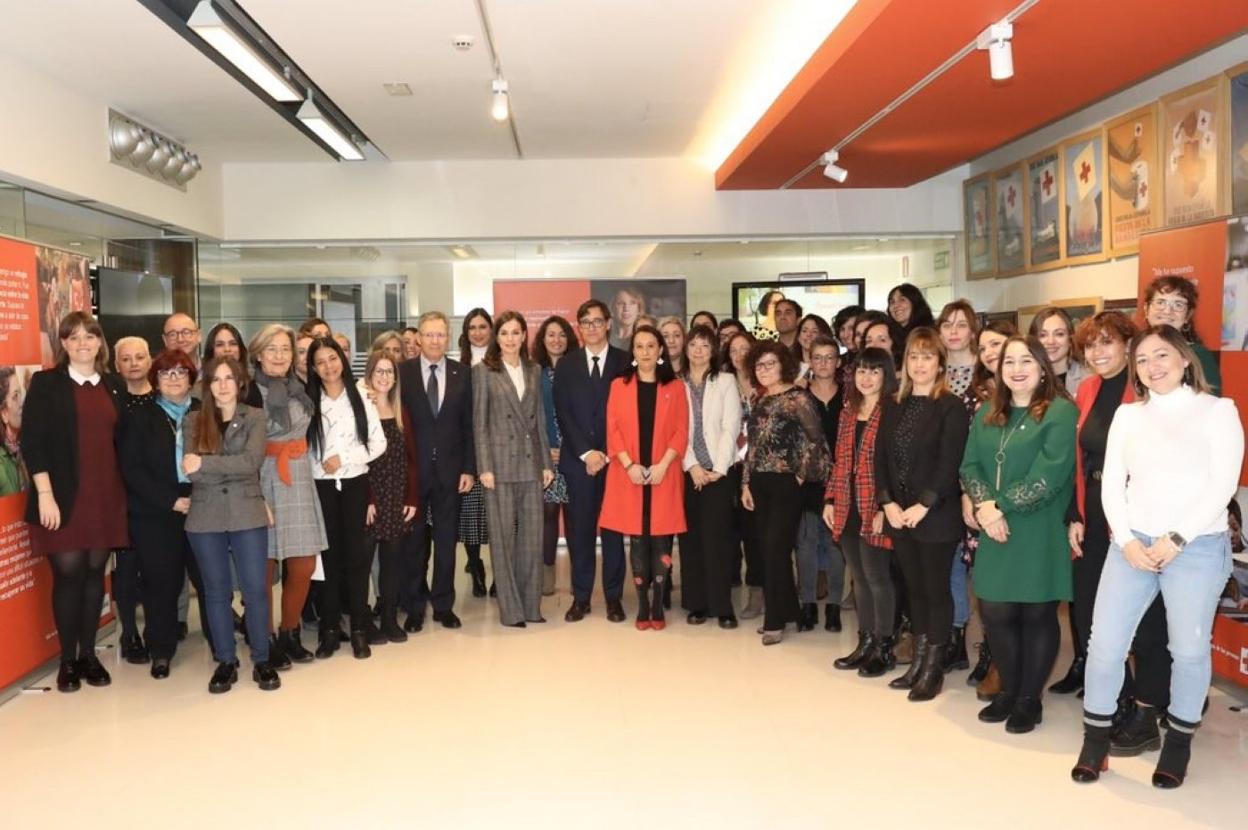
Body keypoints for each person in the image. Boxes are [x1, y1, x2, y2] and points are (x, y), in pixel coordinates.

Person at [1072, 326, 1242, 788]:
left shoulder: (1217, 411)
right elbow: (1112, 484)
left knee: (1186, 650)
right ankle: (1095, 741)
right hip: (1132, 543)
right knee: (1104, 643)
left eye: (1162, 355)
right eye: (1142, 360)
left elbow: (1223, 484)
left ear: (1185, 359)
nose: (1152, 366)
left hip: (1196, 546)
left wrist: (1177, 539)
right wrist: (1125, 539)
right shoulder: (1129, 416)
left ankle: (1178, 743)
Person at [1057, 312, 1173, 754]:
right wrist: (1076, 514)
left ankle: (1146, 712)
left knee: (1145, 625)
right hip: (1096, 517)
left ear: (1129, 345)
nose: (1097, 353)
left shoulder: (1145, 393)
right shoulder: (1086, 389)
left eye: (1107, 343)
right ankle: (1122, 696)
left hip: (1139, 523)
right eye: (1089, 346)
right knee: (1089, 618)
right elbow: (1079, 462)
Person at [960, 335, 1077, 734]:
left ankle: (1029, 699)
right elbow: (970, 466)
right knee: (995, 611)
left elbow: (1050, 475)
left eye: (1027, 360)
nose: (1017, 368)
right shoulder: (988, 413)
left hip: (1039, 526)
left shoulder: (1060, 412)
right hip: (996, 525)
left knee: (1036, 612)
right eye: (1009, 362)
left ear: (1043, 366)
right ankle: (1009, 689)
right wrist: (984, 507)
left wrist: (997, 507)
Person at [21, 312, 127, 692]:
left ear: (100, 342)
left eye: (89, 336)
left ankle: (90, 656)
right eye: (74, 337)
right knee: (68, 576)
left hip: (106, 495)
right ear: (63, 344)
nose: (82, 343)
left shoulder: (114, 385)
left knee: (94, 577)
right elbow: (32, 442)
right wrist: (45, 495)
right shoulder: (47, 384)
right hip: (61, 497)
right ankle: (68, 660)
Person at [875, 328, 969, 701]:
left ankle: (933, 667)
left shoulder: (950, 406)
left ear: (940, 363)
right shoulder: (892, 405)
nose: (920, 364)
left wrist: (923, 505)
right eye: (914, 356)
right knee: (914, 590)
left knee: (936, 591)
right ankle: (917, 659)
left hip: (936, 516)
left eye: (928, 357)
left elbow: (949, 464)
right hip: (900, 515)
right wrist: (888, 503)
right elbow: (880, 459)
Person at [183, 356, 280, 693]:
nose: (223, 385)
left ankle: (262, 658)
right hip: (205, 515)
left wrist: (206, 463)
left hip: (246, 512)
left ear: (241, 383)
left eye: (229, 378)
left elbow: (251, 462)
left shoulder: (255, 416)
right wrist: (213, 466)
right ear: (206, 385)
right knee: (216, 592)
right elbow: (189, 470)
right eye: (215, 379)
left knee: (255, 589)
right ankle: (226, 661)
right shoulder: (194, 420)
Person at [119, 349, 215, 680]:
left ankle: (219, 644)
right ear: (155, 380)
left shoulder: (207, 413)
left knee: (208, 579)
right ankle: (161, 650)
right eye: (165, 373)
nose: (173, 379)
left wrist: (198, 496)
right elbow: (131, 469)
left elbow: (219, 458)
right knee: (161, 582)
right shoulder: (139, 416)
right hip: (156, 511)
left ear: (191, 377)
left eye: (180, 372)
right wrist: (169, 501)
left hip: (204, 502)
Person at [741, 340, 831, 645]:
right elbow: (752, 447)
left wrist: (800, 476)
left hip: (786, 485)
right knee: (767, 550)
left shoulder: (798, 399)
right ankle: (789, 608)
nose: (764, 370)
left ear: (784, 366)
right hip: (759, 483)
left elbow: (816, 441)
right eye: (759, 365)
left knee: (775, 550)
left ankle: (774, 620)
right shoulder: (759, 399)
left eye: (770, 364)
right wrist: (745, 483)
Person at [600, 326, 688, 630]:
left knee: (662, 537)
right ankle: (641, 605)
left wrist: (663, 464)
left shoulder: (675, 387)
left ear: (660, 350)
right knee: (637, 538)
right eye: (640, 346)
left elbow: (681, 430)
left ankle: (658, 603)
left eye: (652, 346)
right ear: (633, 352)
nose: (646, 352)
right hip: (631, 474)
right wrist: (629, 465)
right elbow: (612, 429)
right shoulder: (618, 386)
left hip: (664, 472)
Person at [249, 323, 326, 667]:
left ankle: (289, 631)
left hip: (298, 476)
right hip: (262, 479)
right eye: (272, 349)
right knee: (262, 567)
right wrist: (253, 493)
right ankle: (264, 639)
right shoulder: (247, 392)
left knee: (303, 563)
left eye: (286, 349)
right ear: (258, 354)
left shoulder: (302, 388)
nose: (280, 356)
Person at [306, 337, 386, 658]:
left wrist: (345, 458)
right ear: (313, 368)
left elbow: (378, 443)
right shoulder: (309, 401)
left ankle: (358, 629)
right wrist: (323, 462)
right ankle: (328, 630)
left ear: (342, 359)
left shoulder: (362, 398)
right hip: (321, 487)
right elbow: (302, 449)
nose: (329, 366)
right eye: (321, 361)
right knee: (328, 560)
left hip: (354, 483)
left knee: (356, 559)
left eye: (333, 358)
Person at [473, 312, 554, 627]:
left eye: (516, 332)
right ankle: (511, 611)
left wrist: (546, 462)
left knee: (531, 540)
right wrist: (484, 467)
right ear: (497, 337)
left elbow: (541, 424)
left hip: (531, 463)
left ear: (524, 336)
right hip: (499, 467)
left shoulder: (534, 370)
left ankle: (531, 607)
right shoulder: (484, 372)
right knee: (503, 541)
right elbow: (479, 424)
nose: (510, 339)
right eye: (504, 333)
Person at [398, 311, 475, 631]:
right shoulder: (402, 373)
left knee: (446, 542)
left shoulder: (463, 373)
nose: (434, 340)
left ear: (448, 337)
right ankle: (414, 607)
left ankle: (444, 605)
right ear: (419, 338)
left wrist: (469, 468)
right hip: (413, 473)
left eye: (440, 335)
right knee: (414, 543)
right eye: (428, 335)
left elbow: (469, 425)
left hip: (451, 471)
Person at [553, 299, 629, 622]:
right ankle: (581, 597)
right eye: (586, 322)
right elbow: (563, 414)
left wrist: (608, 453)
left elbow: (628, 415)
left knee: (613, 532)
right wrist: (587, 453)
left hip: (616, 462)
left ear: (609, 323)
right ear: (579, 328)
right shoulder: (566, 365)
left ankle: (614, 597)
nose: (592, 328)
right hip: (578, 462)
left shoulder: (627, 362)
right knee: (580, 532)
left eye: (598, 321)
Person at [824, 348, 898, 676]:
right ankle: (865, 641)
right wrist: (829, 500)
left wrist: (887, 504)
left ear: (886, 375)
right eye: (861, 371)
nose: (866, 378)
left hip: (876, 504)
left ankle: (884, 646)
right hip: (847, 502)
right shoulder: (848, 411)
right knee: (859, 579)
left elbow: (897, 467)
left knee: (877, 578)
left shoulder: (893, 411)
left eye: (874, 371)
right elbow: (839, 460)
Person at [679, 324, 742, 629]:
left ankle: (722, 605)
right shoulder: (675, 383)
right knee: (691, 540)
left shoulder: (726, 381)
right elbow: (676, 431)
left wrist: (718, 468)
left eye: (705, 345)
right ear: (685, 348)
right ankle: (698, 603)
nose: (699, 351)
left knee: (718, 540)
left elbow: (732, 425)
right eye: (694, 344)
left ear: (713, 350)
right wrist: (692, 466)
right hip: (688, 472)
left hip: (719, 472)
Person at [362, 351, 419, 642]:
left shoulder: (401, 411)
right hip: (370, 498)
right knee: (363, 564)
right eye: (379, 372)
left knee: (392, 562)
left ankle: (388, 619)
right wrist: (367, 499)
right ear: (370, 375)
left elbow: (410, 459)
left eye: (389, 372)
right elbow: (359, 460)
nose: (384, 377)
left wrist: (412, 497)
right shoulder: (362, 409)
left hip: (396, 495)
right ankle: (363, 623)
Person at [936, 300, 980, 669]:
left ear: (972, 331)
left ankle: (993, 652)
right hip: (942, 486)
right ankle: (955, 638)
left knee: (979, 570)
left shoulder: (988, 374)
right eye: (947, 324)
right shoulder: (932, 375)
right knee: (950, 566)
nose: (953, 331)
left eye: (961, 324)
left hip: (978, 483)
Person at [796, 336, 844, 631]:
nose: (824, 363)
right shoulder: (799, 397)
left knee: (836, 544)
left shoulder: (850, 397)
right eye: (818, 358)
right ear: (810, 362)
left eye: (830, 357)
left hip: (840, 480)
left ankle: (835, 606)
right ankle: (808, 603)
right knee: (806, 543)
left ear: (838, 362)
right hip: (807, 480)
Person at [111, 336, 154, 664]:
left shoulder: (162, 399)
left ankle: (157, 628)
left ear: (150, 360)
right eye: (126, 359)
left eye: (140, 357)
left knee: (157, 570)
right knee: (126, 569)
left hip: (157, 500)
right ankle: (129, 632)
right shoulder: (109, 402)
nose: (134, 363)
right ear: (116, 365)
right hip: (121, 499)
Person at [533, 315, 575, 596]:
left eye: (561, 334)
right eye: (551, 334)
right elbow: (530, 416)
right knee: (547, 515)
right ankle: (546, 574)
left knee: (574, 516)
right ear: (542, 339)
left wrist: (570, 448)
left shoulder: (578, 369)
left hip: (574, 455)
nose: (556, 339)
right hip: (544, 456)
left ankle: (576, 576)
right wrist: (545, 449)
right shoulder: (534, 371)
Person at [726, 331, 763, 615]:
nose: (739, 354)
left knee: (755, 533)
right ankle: (729, 579)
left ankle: (757, 591)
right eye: (734, 350)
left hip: (759, 468)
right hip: (729, 466)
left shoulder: (764, 383)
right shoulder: (723, 382)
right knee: (731, 529)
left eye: (744, 349)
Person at [458, 308, 494, 597]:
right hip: (467, 448)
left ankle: (500, 575)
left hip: (496, 448)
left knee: (498, 515)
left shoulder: (502, 363)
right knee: (470, 515)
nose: (478, 332)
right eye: (472, 327)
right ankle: (475, 566)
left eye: (483, 326)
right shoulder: (458, 365)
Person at [1142, 275, 1220, 394]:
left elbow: (1212, 405)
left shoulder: (1198, 355)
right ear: (1146, 309)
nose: (1167, 311)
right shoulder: (1137, 352)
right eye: (1160, 302)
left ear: (1187, 315)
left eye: (1178, 305)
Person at [1030, 306, 1088, 395]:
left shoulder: (1087, 378)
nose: (1051, 341)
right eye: (1043, 335)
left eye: (1059, 334)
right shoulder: (1027, 377)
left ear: (1070, 339)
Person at [0, 368, 26, 497]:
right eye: (15, 396)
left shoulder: (27, 446)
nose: (22, 403)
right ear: (4, 413)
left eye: (21, 394)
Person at [794, 313, 833, 382]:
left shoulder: (830, 364)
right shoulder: (789, 365)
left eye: (814, 331)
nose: (808, 334)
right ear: (798, 336)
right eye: (804, 331)